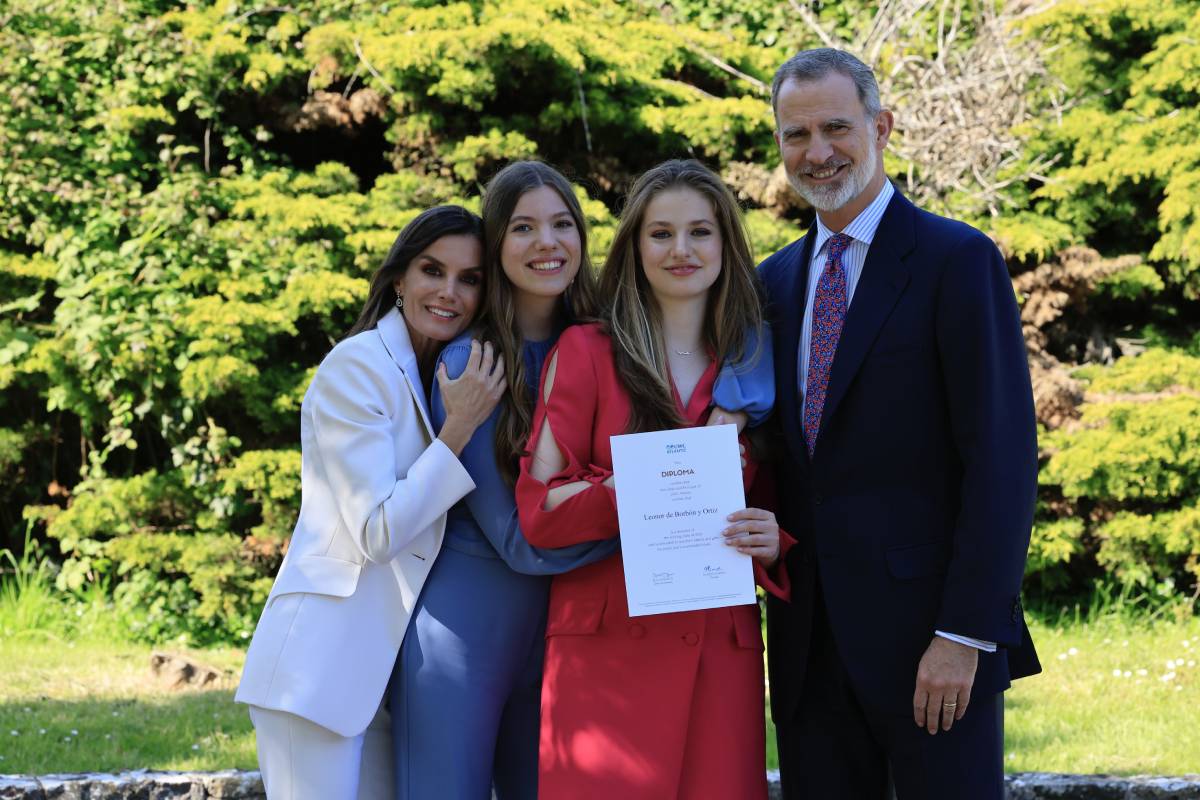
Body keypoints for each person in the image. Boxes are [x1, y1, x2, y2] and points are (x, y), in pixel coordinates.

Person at [388, 160, 775, 799]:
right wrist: (661, 500)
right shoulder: (483, 361)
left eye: (562, 223)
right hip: (482, 618)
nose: (546, 242)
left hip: (618, 625)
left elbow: (764, 490)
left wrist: (748, 528)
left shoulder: (726, 359)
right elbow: (523, 534)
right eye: (523, 227)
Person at [758, 48, 1041, 800]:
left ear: (881, 126)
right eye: (796, 134)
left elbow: (1003, 461)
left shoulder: (958, 260)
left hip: (931, 646)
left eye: (836, 128)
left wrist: (964, 634)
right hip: (808, 652)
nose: (817, 153)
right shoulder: (772, 283)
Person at [515, 159, 791, 800]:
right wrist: (660, 475)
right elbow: (541, 509)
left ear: (727, 244)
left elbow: (781, 514)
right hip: (605, 656)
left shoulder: (757, 365)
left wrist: (773, 540)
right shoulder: (585, 351)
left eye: (700, 232)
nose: (681, 250)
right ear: (635, 247)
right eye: (661, 234)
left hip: (718, 653)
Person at [235, 206, 506, 800]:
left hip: (379, 682)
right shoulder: (356, 367)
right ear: (399, 279)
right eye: (432, 270)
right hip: (317, 674)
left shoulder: (434, 369)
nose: (449, 292)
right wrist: (457, 431)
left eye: (470, 279)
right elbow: (376, 531)